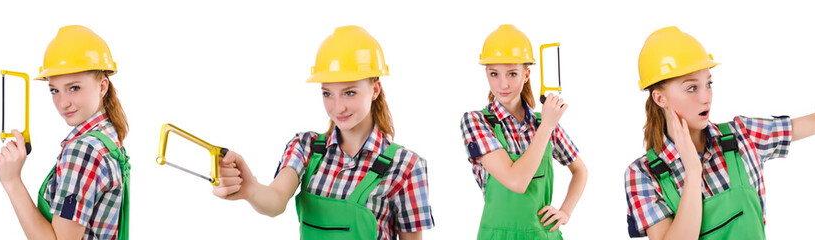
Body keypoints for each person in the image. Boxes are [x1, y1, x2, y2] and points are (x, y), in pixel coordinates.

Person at [624, 26, 815, 239]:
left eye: (709, 83)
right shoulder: (643, 174)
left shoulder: (742, 135)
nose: (705, 98)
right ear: (659, 98)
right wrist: (692, 169)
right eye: (691, 88)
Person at [212, 25, 434, 240]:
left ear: (375, 90)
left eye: (349, 92)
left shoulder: (406, 166)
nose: (338, 108)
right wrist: (250, 188)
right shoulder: (306, 147)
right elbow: (276, 200)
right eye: (327, 93)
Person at [0, 25, 131, 240]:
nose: (63, 103)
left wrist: (12, 181)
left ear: (102, 86)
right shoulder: (108, 134)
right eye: (54, 90)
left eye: (74, 87)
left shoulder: (84, 150)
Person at [460, 24, 588, 239]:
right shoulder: (476, 121)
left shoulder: (544, 122)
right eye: (494, 74)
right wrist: (547, 126)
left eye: (512, 73)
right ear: (486, 74)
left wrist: (565, 211)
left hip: (543, 234)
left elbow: (580, 171)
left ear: (526, 74)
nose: (503, 84)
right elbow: (516, 182)